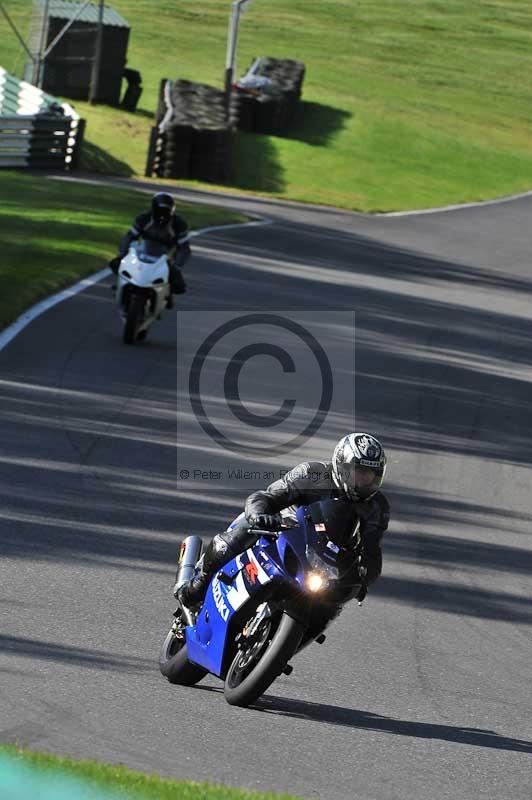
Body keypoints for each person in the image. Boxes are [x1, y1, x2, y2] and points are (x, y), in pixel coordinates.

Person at [177, 432, 390, 612]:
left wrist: (365, 575)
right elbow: (265, 497)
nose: (365, 481)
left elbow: (372, 548)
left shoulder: (376, 507)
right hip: (280, 531)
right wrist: (260, 515)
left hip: (324, 557)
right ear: (342, 465)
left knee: (334, 603)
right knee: (231, 543)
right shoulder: (312, 474)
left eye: (371, 475)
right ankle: (197, 585)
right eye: (359, 473)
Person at [109, 192, 190, 308]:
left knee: (179, 285)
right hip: (144, 251)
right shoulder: (143, 219)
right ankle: (121, 284)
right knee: (115, 264)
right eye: (159, 210)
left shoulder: (179, 224)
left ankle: (167, 294)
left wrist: (178, 265)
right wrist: (123, 253)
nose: (162, 215)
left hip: (167, 256)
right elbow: (129, 237)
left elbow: (185, 248)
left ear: (172, 210)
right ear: (153, 208)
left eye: (165, 211)